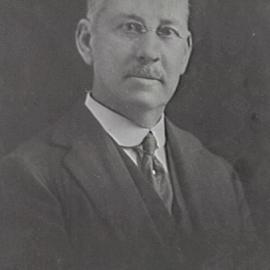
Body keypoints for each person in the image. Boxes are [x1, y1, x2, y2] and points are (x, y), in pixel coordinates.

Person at [0, 0, 263, 269]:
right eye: (131, 27)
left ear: (185, 53)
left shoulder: (219, 177)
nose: (149, 52)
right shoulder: (30, 176)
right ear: (86, 40)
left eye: (166, 31)